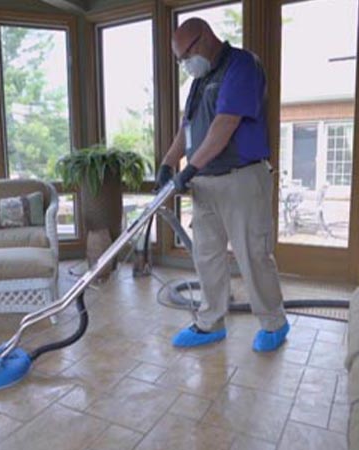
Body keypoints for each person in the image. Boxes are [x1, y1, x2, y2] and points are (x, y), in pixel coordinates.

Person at [155, 18, 289, 352]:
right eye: (179, 60)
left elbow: (225, 124)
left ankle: (274, 323)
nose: (185, 64)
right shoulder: (199, 82)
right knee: (207, 255)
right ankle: (210, 322)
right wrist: (169, 163)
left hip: (241, 178)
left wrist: (190, 168)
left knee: (253, 253)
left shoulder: (241, 65)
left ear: (203, 39)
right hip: (206, 184)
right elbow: (186, 131)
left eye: (185, 55)